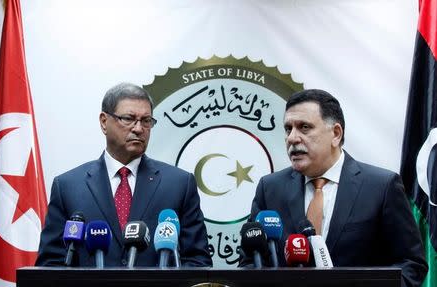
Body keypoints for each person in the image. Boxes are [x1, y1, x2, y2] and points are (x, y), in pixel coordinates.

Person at [244, 89, 428, 286]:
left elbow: (412, 264)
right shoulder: (270, 188)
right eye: (288, 129)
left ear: (336, 134)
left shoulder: (382, 186)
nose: (292, 138)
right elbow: (250, 263)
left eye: (304, 127)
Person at [36, 83, 212, 267]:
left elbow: (197, 262)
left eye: (146, 121)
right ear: (104, 122)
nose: (138, 128)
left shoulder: (179, 184)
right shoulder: (67, 186)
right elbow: (50, 264)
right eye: (128, 118)